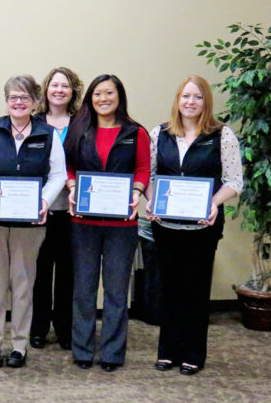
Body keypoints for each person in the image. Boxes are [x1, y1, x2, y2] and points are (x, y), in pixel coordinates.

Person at [0, 75, 66, 368]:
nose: (18, 103)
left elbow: (58, 174)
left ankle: (20, 345)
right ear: (6, 100)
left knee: (23, 284)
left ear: (35, 102)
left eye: (24, 98)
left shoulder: (47, 134)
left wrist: (45, 201)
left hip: (30, 224)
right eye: (13, 97)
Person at [147, 75, 243, 376]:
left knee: (196, 292)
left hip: (203, 227)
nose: (190, 102)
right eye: (185, 96)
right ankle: (168, 351)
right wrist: (152, 201)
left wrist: (213, 203)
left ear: (206, 102)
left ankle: (193, 354)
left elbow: (234, 181)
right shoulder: (159, 134)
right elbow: (149, 177)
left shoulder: (222, 135)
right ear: (177, 100)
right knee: (169, 290)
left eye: (197, 97)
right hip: (166, 226)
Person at [63, 74, 150, 372]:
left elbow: (142, 169)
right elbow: (68, 166)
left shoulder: (135, 132)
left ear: (119, 97)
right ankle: (83, 350)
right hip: (83, 223)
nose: (103, 99)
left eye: (109, 93)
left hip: (122, 226)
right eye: (98, 93)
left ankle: (113, 352)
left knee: (115, 291)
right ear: (90, 98)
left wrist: (137, 193)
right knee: (84, 289)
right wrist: (72, 187)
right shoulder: (79, 129)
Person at [30, 67, 83, 350]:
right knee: (39, 271)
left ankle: (64, 328)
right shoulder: (34, 122)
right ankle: (38, 327)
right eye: (54, 85)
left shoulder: (82, 123)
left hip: (72, 211)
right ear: (46, 89)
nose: (59, 90)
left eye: (65, 86)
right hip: (40, 209)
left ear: (73, 91)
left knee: (67, 272)